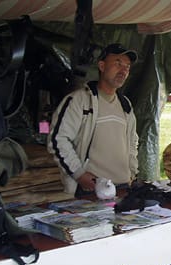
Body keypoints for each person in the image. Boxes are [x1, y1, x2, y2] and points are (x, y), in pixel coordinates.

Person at [48, 43, 139, 198]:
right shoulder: (79, 101)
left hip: (123, 188)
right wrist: (79, 174)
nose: (123, 70)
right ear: (102, 66)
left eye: (127, 66)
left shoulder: (125, 105)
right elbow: (58, 139)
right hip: (90, 190)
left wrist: (133, 173)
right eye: (118, 63)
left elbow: (132, 143)